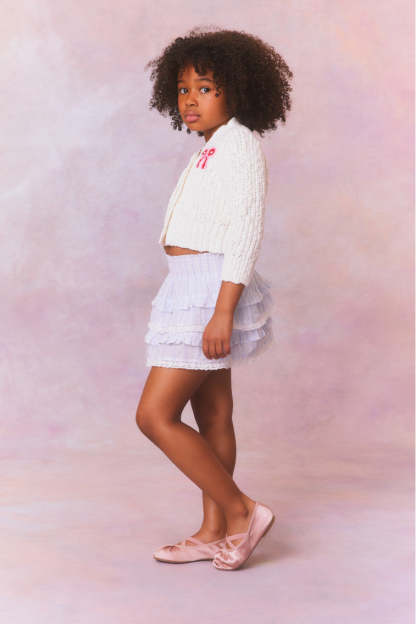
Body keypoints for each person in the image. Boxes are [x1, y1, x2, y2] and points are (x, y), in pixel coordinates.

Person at [137, 27, 293, 571]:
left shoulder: (240, 144)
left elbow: (245, 234)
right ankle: (213, 531)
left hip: (210, 289)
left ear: (237, 91)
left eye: (205, 88)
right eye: (183, 89)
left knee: (154, 416)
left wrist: (223, 310)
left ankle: (241, 510)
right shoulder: (213, 147)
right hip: (189, 283)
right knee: (214, 413)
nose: (190, 99)